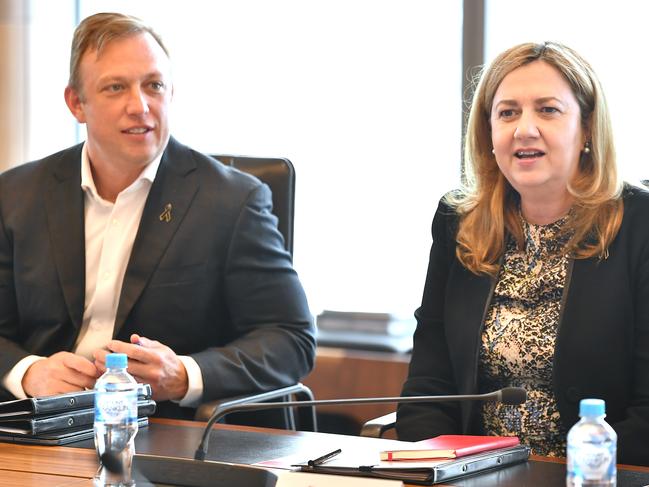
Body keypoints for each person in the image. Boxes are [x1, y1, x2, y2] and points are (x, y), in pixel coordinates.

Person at [0, 12, 315, 420]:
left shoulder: (231, 201)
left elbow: (290, 339)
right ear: (77, 104)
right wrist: (28, 372)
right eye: (115, 87)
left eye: (154, 86)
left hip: (166, 432)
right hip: (37, 427)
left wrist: (184, 374)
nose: (140, 106)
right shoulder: (16, 195)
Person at [396, 41, 649, 466]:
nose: (524, 129)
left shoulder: (639, 224)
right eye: (507, 112)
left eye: (548, 110)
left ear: (587, 128)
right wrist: (441, 468)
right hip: (474, 474)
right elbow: (429, 384)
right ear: (488, 131)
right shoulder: (458, 221)